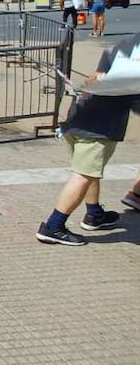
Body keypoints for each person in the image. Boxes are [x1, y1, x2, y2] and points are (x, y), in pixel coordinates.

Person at [36, 32, 140, 244]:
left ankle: (94, 214)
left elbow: (97, 76)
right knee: (83, 175)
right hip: (98, 128)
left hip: (79, 117)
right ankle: (53, 226)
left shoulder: (126, 46)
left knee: (90, 171)